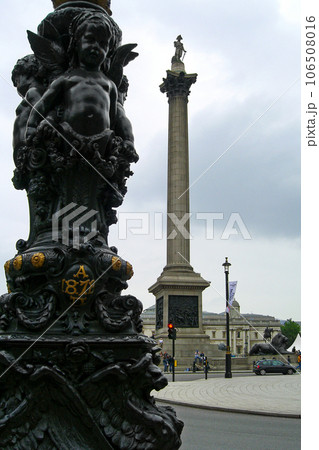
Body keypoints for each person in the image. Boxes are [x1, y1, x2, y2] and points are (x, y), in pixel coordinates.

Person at [26, 12, 136, 161]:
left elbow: (114, 117)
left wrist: (127, 141)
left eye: (103, 44)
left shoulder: (110, 85)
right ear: (76, 43)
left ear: (108, 50)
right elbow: (44, 104)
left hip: (101, 143)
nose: (96, 47)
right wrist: (32, 128)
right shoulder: (67, 79)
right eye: (90, 40)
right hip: (67, 136)